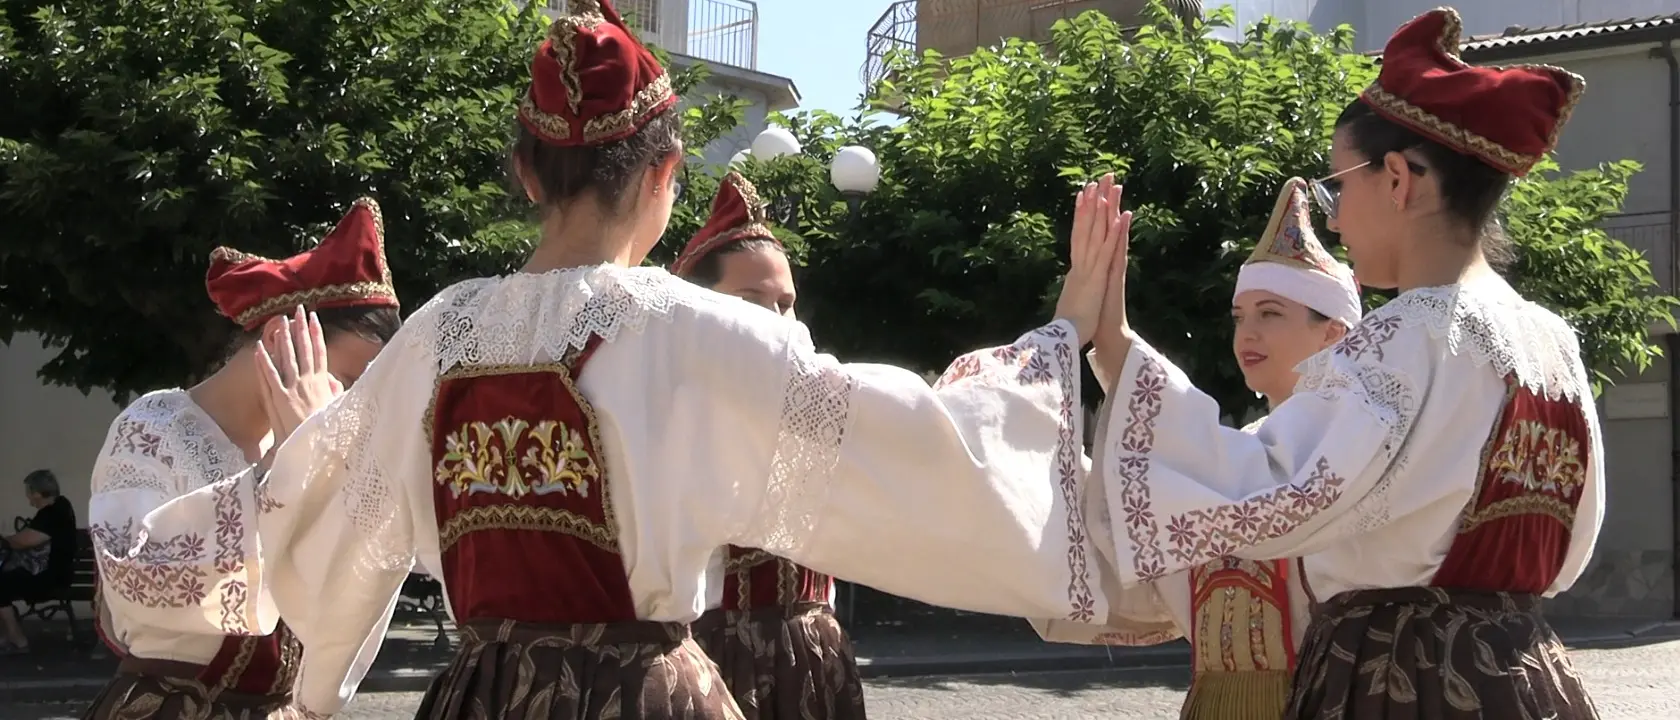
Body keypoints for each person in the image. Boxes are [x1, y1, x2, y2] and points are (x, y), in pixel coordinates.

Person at [245, 1, 1128, 717]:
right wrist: (1058, 341)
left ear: (524, 172)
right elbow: (916, 444)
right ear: (665, 175)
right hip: (638, 698)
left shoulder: (437, 334)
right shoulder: (687, 330)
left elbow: (341, 548)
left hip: (486, 694)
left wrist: (316, 446)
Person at [1085, 7, 1602, 718]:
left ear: (1398, 179)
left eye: (1339, 186)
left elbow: (1272, 491)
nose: (1334, 218)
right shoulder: (1552, 343)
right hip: (1523, 674)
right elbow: (1573, 538)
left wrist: (1108, 345)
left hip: (1401, 673)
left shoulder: (1412, 335)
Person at [1033, 179, 1361, 720]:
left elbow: (1185, 436)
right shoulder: (1244, 452)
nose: (1247, 333)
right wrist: (1103, 304)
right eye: (1240, 316)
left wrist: (1108, 329)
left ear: (1332, 334)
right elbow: (1180, 456)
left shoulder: (1350, 444)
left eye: (1271, 313)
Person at [84, 199, 403, 720]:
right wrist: (288, 463)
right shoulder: (153, 428)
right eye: (343, 382)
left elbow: (349, 601)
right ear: (281, 340)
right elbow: (135, 575)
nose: (345, 409)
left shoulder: (326, 453)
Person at [672, 172, 865, 720]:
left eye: (786, 303)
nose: (777, 320)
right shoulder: (668, 412)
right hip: (711, 656)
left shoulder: (818, 405)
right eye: (752, 299)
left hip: (812, 651)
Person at [0, 469, 78, 654]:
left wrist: (4, 540)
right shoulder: (60, 506)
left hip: (49, 578)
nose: (28, 497)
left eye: (29, 492)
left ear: (36, 493)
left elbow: (24, 541)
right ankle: (6, 635)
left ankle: (17, 638)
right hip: (56, 573)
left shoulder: (52, 513)